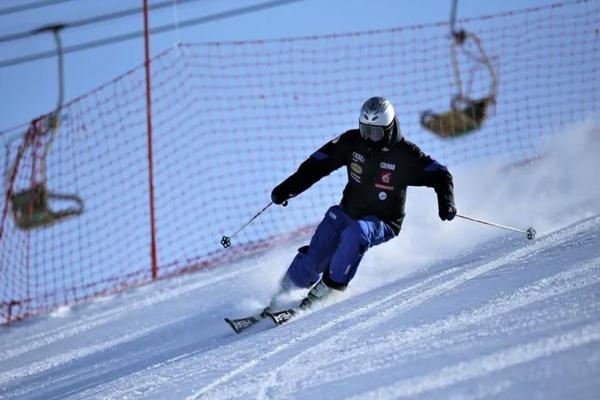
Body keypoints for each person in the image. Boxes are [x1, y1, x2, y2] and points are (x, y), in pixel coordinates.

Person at [269, 97, 456, 310]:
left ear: (389, 129)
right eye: (365, 130)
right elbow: (318, 164)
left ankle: (331, 286)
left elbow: (441, 174)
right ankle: (284, 292)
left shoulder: (405, 155)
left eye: (375, 133)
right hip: (348, 210)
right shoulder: (352, 141)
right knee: (319, 251)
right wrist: (287, 189)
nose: (369, 138)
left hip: (383, 220)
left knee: (356, 233)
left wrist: (446, 202)